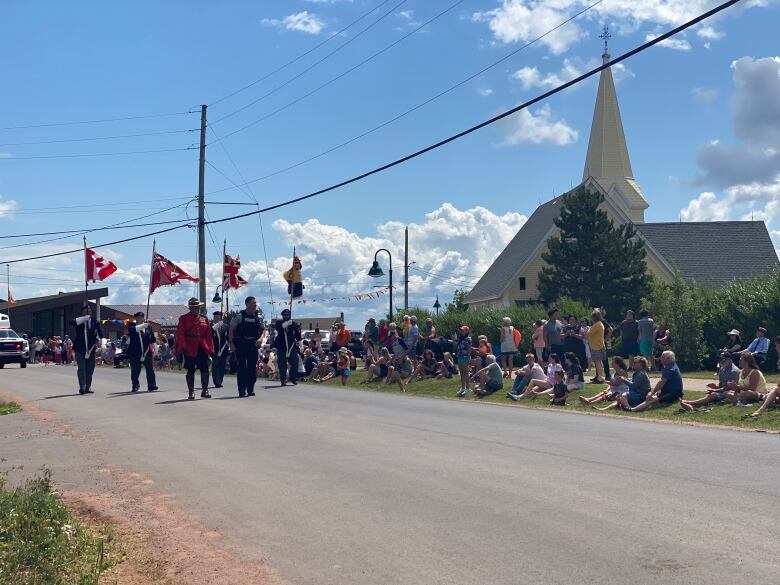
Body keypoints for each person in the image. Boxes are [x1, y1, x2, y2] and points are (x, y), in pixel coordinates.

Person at [175, 298, 215, 400]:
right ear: (190, 308)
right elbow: (180, 334)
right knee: (191, 369)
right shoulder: (183, 318)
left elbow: (208, 335)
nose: (196, 309)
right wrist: (183, 346)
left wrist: (211, 349)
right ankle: (191, 392)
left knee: (205, 369)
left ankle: (205, 390)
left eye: (197, 307)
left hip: (202, 346)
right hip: (190, 346)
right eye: (193, 307)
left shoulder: (204, 318)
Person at [229, 296, 264, 397]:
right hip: (241, 344)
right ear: (247, 304)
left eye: (255, 303)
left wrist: (261, 339)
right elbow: (231, 329)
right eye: (253, 303)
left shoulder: (258, 317)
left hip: (253, 344)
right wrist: (231, 343)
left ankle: (250, 389)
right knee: (242, 368)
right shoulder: (239, 316)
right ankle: (241, 390)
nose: (255, 304)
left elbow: (263, 329)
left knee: (252, 368)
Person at [70, 305, 104, 395]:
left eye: (90, 309)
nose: (89, 311)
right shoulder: (79, 321)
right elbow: (71, 322)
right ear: (83, 312)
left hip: (91, 349)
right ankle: (82, 387)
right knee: (82, 368)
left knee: (90, 369)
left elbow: (100, 332)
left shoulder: (94, 321)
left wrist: (101, 340)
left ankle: (88, 387)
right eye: (87, 309)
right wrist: (83, 319)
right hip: (80, 349)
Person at [126, 311, 158, 393]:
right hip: (135, 353)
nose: (140, 319)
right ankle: (135, 385)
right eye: (138, 318)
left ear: (143, 318)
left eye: (141, 317)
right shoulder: (132, 325)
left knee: (150, 369)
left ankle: (151, 385)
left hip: (147, 352)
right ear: (135, 318)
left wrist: (156, 350)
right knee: (135, 370)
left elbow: (152, 339)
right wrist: (143, 325)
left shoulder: (148, 326)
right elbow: (133, 330)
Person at [274, 308, 302, 387]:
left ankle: (293, 378)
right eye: (284, 315)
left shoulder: (293, 323)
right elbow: (279, 328)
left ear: (290, 315)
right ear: (282, 315)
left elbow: (297, 335)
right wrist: (287, 323)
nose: (286, 316)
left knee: (295, 363)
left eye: (288, 315)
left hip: (291, 346)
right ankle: (283, 380)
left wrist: (301, 343)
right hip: (282, 347)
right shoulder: (279, 322)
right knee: (282, 364)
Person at [210, 311, 229, 388]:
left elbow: (228, 337)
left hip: (224, 349)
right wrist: (217, 325)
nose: (215, 318)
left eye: (217, 317)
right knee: (215, 366)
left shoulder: (226, 326)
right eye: (215, 317)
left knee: (222, 366)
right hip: (215, 349)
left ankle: (220, 380)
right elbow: (210, 332)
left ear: (221, 317)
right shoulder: (211, 326)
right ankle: (216, 382)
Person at [587, 309, 607, 384]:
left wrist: (589, 329)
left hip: (596, 346)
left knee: (598, 362)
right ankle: (600, 376)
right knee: (599, 362)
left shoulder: (596, 325)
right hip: (599, 345)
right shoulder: (600, 323)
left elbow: (589, 333)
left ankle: (599, 378)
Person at [455, 325, 473, 397]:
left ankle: (468, 388)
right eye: (461, 330)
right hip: (460, 357)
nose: (461, 331)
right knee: (461, 373)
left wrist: (468, 358)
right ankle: (463, 388)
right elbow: (456, 346)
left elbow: (469, 349)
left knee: (466, 373)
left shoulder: (468, 339)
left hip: (465, 357)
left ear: (467, 331)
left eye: (463, 330)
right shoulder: (461, 339)